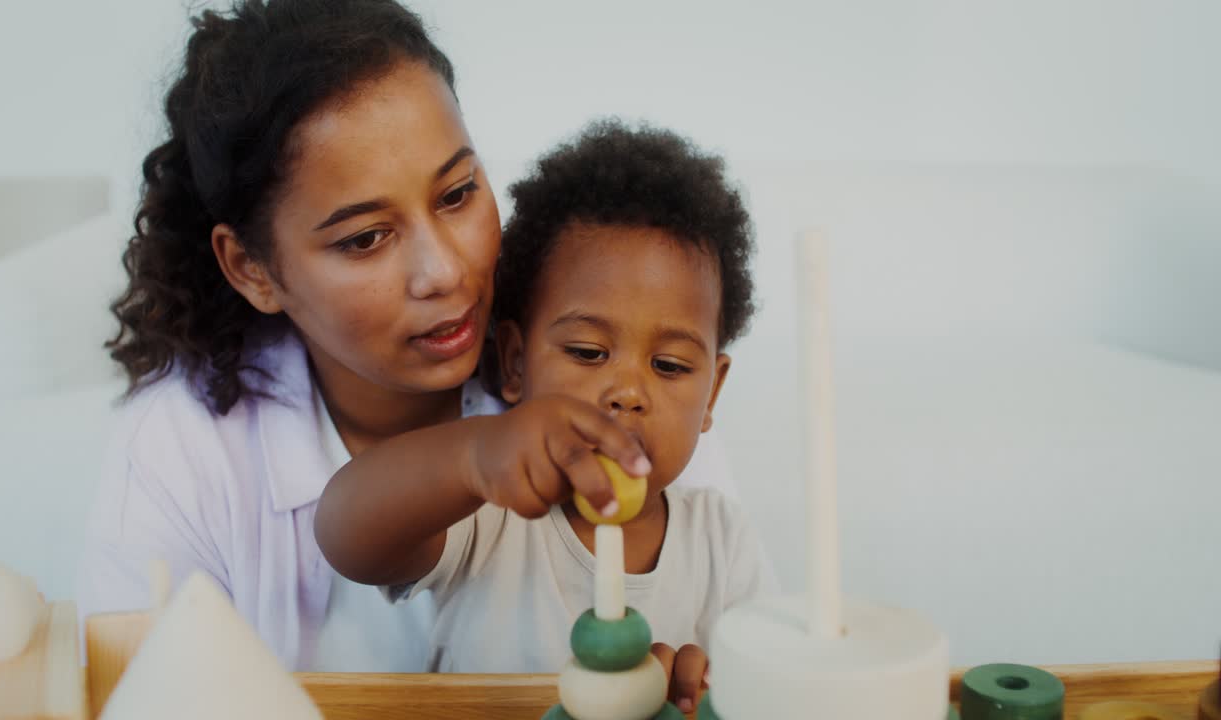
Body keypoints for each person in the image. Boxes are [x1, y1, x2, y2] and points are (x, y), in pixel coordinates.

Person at [75, 0, 740, 672]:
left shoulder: (619, 384)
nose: (445, 272)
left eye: (457, 195)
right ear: (253, 269)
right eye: (365, 238)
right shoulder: (178, 457)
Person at [315, 121, 774, 713]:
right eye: (588, 353)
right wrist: (473, 456)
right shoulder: (487, 513)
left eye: (670, 365)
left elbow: (768, 690)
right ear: (514, 363)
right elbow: (347, 534)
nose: (627, 392)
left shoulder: (722, 544)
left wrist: (705, 698)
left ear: (711, 395)